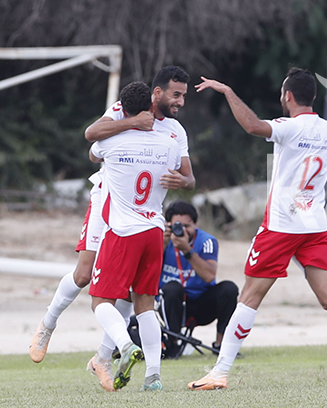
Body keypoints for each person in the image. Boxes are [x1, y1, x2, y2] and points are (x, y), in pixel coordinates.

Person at [188, 66, 327, 391]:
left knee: (249, 297)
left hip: (281, 226)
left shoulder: (287, 127)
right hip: (313, 225)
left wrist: (226, 91)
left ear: (288, 96)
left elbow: (253, 126)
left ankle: (220, 372)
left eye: (282, 93)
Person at [30, 66, 195, 376]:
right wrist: (133, 122)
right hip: (107, 202)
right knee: (84, 275)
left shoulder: (175, 131)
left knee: (132, 289)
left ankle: (103, 358)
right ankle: (47, 324)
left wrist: (180, 181)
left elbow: (190, 178)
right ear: (156, 93)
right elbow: (91, 136)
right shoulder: (124, 108)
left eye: (183, 96)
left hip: (143, 215)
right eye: (176, 95)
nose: (180, 102)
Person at [88, 81, 182, 392]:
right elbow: (174, 172)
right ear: (150, 107)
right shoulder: (169, 143)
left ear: (123, 109)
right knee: (145, 305)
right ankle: (153, 377)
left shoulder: (112, 143)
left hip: (123, 231)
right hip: (154, 230)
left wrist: (117, 122)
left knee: (100, 301)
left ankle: (125, 346)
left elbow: (92, 148)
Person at [159, 200, 239, 358]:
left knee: (229, 289)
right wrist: (161, 245)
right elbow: (147, 271)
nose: (182, 230)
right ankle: (173, 345)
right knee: (172, 287)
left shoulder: (206, 241)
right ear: (168, 225)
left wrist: (186, 250)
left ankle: (221, 345)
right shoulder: (161, 239)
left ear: (195, 224)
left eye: (187, 226)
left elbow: (209, 276)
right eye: (176, 225)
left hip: (202, 304)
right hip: (172, 304)